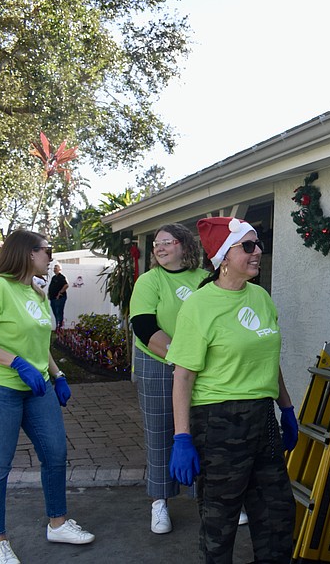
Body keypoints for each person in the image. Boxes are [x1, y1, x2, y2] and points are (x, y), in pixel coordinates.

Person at [166, 217, 298, 564]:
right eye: (249, 246)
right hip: (219, 422)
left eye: (259, 245)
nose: (259, 253)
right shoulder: (199, 306)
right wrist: (182, 438)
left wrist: (286, 408)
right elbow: (182, 376)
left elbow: (268, 357)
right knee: (220, 524)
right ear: (224, 256)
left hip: (262, 417)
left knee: (277, 517)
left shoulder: (261, 298)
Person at [0, 230, 94, 564]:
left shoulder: (34, 291)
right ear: (27, 252)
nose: (51, 256)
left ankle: (58, 523)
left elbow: (38, 342)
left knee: (55, 452)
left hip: (37, 389)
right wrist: (16, 363)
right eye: (47, 250)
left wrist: (57, 374)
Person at [129, 223, 207, 534]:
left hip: (198, 366)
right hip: (157, 363)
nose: (159, 248)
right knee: (161, 431)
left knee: (202, 431)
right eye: (157, 244)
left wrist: (192, 362)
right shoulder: (149, 281)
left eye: (168, 242)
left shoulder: (205, 280)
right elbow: (144, 326)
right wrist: (180, 359)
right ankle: (159, 502)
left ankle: (207, 499)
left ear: (185, 246)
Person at [47, 263, 68, 328]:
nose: (54, 269)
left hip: (59, 298)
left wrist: (60, 293)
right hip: (53, 298)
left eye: (56, 268)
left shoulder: (61, 277)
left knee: (59, 311)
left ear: (59, 269)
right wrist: (48, 293)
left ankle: (60, 325)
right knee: (55, 311)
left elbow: (66, 285)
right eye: (54, 268)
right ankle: (58, 324)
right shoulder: (54, 277)